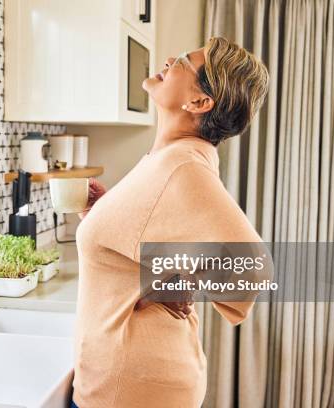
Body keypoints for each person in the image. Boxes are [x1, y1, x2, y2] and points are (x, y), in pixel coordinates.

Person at [72, 37, 271, 408]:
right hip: (133, 381)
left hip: (132, 390)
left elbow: (251, 268)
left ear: (198, 102)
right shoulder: (172, 157)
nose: (169, 59)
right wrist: (102, 214)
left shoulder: (182, 165)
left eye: (183, 61)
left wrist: (181, 278)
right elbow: (152, 229)